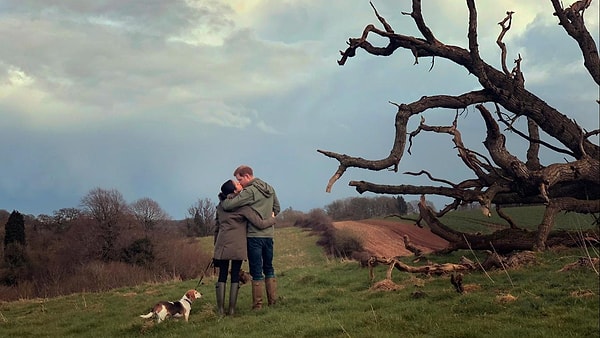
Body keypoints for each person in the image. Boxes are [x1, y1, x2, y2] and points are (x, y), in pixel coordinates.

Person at [221, 165, 280, 310]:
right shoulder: (269, 188)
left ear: (247, 176)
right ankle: (273, 302)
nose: (239, 183)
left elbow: (229, 205)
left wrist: (223, 198)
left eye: (240, 179)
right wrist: (270, 216)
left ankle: (257, 305)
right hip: (269, 235)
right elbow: (277, 208)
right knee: (269, 268)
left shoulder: (250, 191)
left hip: (254, 235)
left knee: (256, 270)